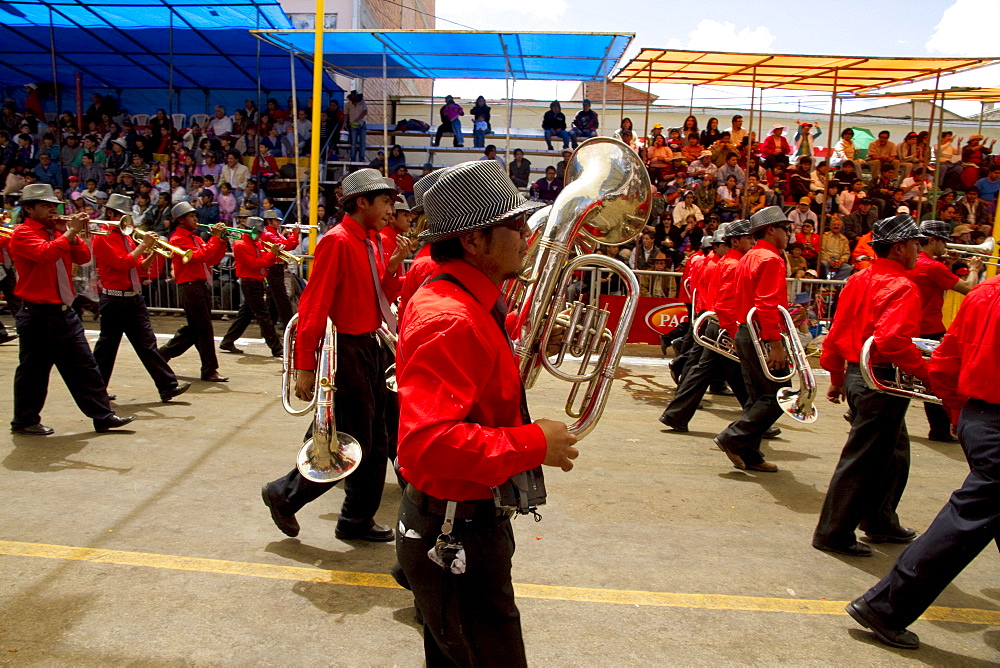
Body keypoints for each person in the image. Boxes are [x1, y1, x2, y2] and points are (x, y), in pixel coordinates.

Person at [394, 159, 577, 665]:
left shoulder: (467, 303)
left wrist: (528, 334)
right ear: (473, 241)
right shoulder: (452, 317)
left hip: (465, 525)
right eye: (515, 226)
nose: (527, 235)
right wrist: (536, 442)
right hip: (456, 533)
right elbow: (426, 445)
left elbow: (478, 371)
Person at [844, 271, 1000, 650]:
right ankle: (885, 606)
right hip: (988, 420)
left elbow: (946, 361)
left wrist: (959, 415)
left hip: (978, 416)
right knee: (965, 521)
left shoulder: (983, 294)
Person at [261, 168, 406, 541]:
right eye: (385, 200)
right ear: (362, 202)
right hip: (346, 349)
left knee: (376, 441)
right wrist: (304, 367)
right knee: (348, 440)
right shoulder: (337, 241)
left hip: (370, 345)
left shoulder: (372, 241)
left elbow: (381, 298)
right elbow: (314, 305)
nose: (391, 207)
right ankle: (284, 494)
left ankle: (356, 520)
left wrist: (392, 270)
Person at [813, 214, 930, 557]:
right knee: (864, 459)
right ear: (899, 247)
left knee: (893, 453)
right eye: (914, 244)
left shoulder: (858, 279)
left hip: (858, 375)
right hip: (880, 379)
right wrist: (928, 372)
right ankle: (833, 532)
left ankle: (879, 520)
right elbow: (893, 341)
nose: (917, 251)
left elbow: (836, 334)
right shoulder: (903, 286)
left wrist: (836, 377)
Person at [9, 184, 134, 435]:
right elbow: (44, 255)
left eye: (54, 205)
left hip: (64, 311)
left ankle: (103, 416)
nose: (53, 210)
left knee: (85, 366)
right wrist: (67, 234)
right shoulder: (22, 233)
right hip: (37, 314)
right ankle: (24, 420)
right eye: (45, 206)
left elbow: (83, 257)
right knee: (34, 371)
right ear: (30, 208)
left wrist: (72, 234)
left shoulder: (56, 233)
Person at [713, 206, 793, 473]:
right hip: (761, 333)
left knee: (757, 396)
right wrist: (776, 343)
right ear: (771, 230)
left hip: (747, 331)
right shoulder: (771, 259)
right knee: (780, 395)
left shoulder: (748, 257)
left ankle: (750, 454)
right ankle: (734, 438)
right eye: (786, 228)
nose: (788, 234)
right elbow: (767, 305)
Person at [91, 194, 190, 402]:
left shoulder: (127, 238)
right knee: (107, 349)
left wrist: (154, 252)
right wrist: (144, 246)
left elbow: (141, 267)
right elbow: (122, 263)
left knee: (147, 344)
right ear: (110, 214)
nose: (127, 220)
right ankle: (97, 391)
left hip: (133, 298)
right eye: (122, 215)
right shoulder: (102, 237)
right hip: (115, 299)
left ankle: (168, 386)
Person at [660, 221, 752, 432]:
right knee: (736, 373)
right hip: (721, 322)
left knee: (708, 370)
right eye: (748, 238)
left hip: (715, 320)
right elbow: (726, 303)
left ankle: (676, 415)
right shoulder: (731, 264)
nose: (752, 242)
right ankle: (756, 418)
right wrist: (733, 332)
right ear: (733, 242)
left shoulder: (723, 262)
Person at [908, 220, 982, 443]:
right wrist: (975, 270)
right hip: (929, 329)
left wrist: (947, 266)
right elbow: (970, 290)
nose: (946, 247)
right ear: (933, 240)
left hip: (917, 326)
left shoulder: (919, 263)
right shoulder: (932, 266)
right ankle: (940, 429)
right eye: (943, 242)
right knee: (939, 380)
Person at [158, 202, 229, 382]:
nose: (196, 220)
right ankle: (209, 370)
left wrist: (221, 241)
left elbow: (212, 258)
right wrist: (215, 238)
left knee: (196, 328)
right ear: (181, 220)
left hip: (200, 285)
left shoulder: (195, 238)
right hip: (190, 286)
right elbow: (199, 256)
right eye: (191, 216)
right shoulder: (177, 240)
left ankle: (163, 353)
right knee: (204, 329)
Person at [219, 216, 284, 357]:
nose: (261, 236)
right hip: (250, 282)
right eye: (259, 232)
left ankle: (228, 341)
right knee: (263, 315)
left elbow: (264, 261)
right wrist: (271, 254)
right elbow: (255, 264)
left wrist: (273, 254)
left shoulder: (256, 243)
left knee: (245, 315)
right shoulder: (241, 244)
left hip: (257, 282)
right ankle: (276, 347)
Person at [258, 209, 297, 331]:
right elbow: (286, 245)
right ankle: (289, 326)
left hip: (277, 267)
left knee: (273, 300)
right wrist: (294, 234)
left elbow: (288, 244)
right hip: (273, 267)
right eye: (276, 220)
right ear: (269, 221)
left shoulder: (275, 233)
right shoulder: (268, 234)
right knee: (281, 298)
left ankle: (268, 328)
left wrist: (292, 235)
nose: (278, 222)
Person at [345, 90, 368, 163]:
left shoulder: (362, 102)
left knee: (362, 142)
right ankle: (353, 158)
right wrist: (345, 122)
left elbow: (365, 111)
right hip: (352, 125)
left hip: (361, 123)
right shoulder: (348, 104)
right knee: (353, 142)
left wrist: (358, 119)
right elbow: (346, 114)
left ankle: (361, 157)